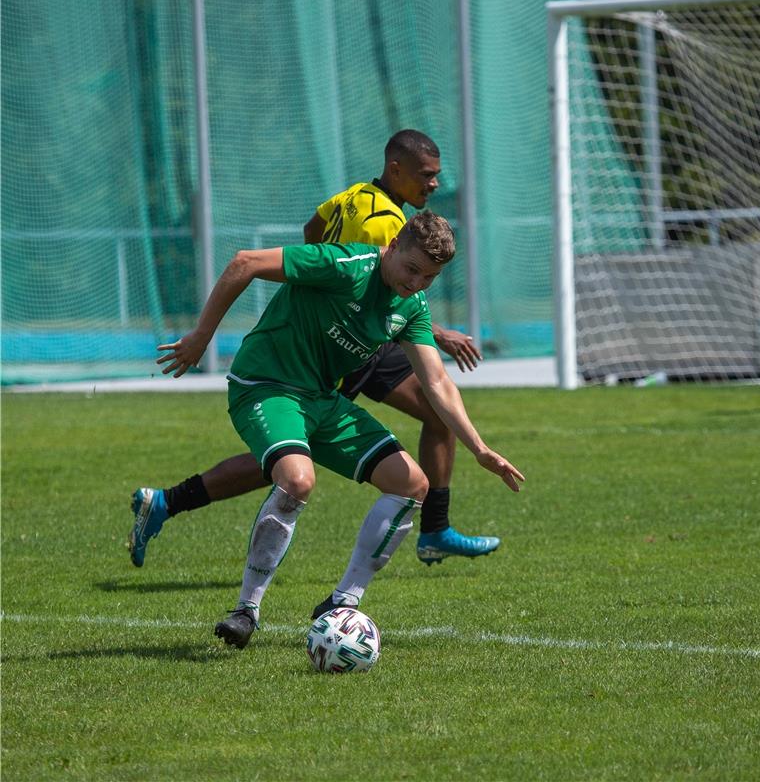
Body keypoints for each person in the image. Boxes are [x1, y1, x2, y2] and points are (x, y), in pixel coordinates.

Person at [127, 130, 498, 569]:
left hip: (357, 338)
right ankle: (172, 505)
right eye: (426, 175)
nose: (434, 184)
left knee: (422, 415)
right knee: (290, 457)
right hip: (345, 347)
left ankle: (435, 527)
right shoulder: (388, 225)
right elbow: (387, 288)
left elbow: (314, 231)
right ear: (395, 169)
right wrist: (436, 333)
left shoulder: (354, 197)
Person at [156, 210, 524, 648]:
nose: (417, 283)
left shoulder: (411, 306)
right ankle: (246, 610)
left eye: (430, 277)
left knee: (412, 484)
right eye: (412, 269)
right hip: (266, 386)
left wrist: (480, 448)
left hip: (322, 400)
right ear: (392, 248)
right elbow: (245, 263)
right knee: (296, 480)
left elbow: (437, 380)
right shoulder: (344, 265)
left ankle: (342, 603)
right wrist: (201, 337)